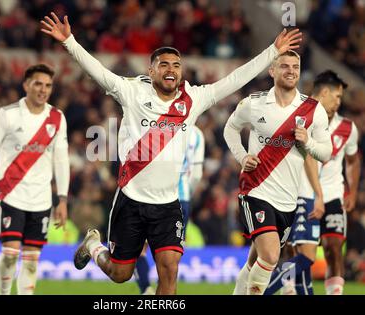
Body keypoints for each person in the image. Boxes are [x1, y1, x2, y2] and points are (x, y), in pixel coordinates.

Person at [41, 12, 302, 295]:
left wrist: (272, 52)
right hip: (131, 200)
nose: (171, 69)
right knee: (120, 274)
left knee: (169, 270)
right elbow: (98, 72)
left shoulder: (194, 99)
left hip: (167, 205)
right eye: (163, 64)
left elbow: (235, 79)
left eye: (176, 65)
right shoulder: (132, 92)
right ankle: (93, 244)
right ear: (151, 70)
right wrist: (69, 42)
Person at [224, 50, 333, 295]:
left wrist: (308, 143)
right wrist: (243, 157)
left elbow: (325, 152)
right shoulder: (254, 103)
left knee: (256, 261)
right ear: (272, 71)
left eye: (295, 66)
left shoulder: (313, 110)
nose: (291, 70)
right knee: (271, 255)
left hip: (288, 199)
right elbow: (230, 128)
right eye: (284, 66)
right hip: (256, 189)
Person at [265, 70, 360, 295]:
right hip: (300, 193)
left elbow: (354, 160)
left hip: (331, 196)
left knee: (333, 248)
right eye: (337, 96)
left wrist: (352, 191)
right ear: (325, 92)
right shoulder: (301, 119)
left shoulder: (348, 128)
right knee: (296, 251)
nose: (339, 101)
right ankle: (279, 289)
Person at [0, 64, 70, 295]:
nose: (43, 89)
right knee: (10, 255)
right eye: (38, 83)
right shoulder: (7, 114)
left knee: (31, 260)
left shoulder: (57, 118)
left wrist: (63, 199)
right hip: (11, 194)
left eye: (48, 85)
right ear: (26, 85)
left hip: (41, 200)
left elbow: (61, 160)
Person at [134, 125, 205, 295]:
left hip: (153, 196)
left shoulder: (157, 126)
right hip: (181, 199)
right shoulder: (196, 134)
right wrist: (187, 192)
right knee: (171, 259)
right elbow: (196, 174)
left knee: (140, 249)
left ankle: (146, 290)